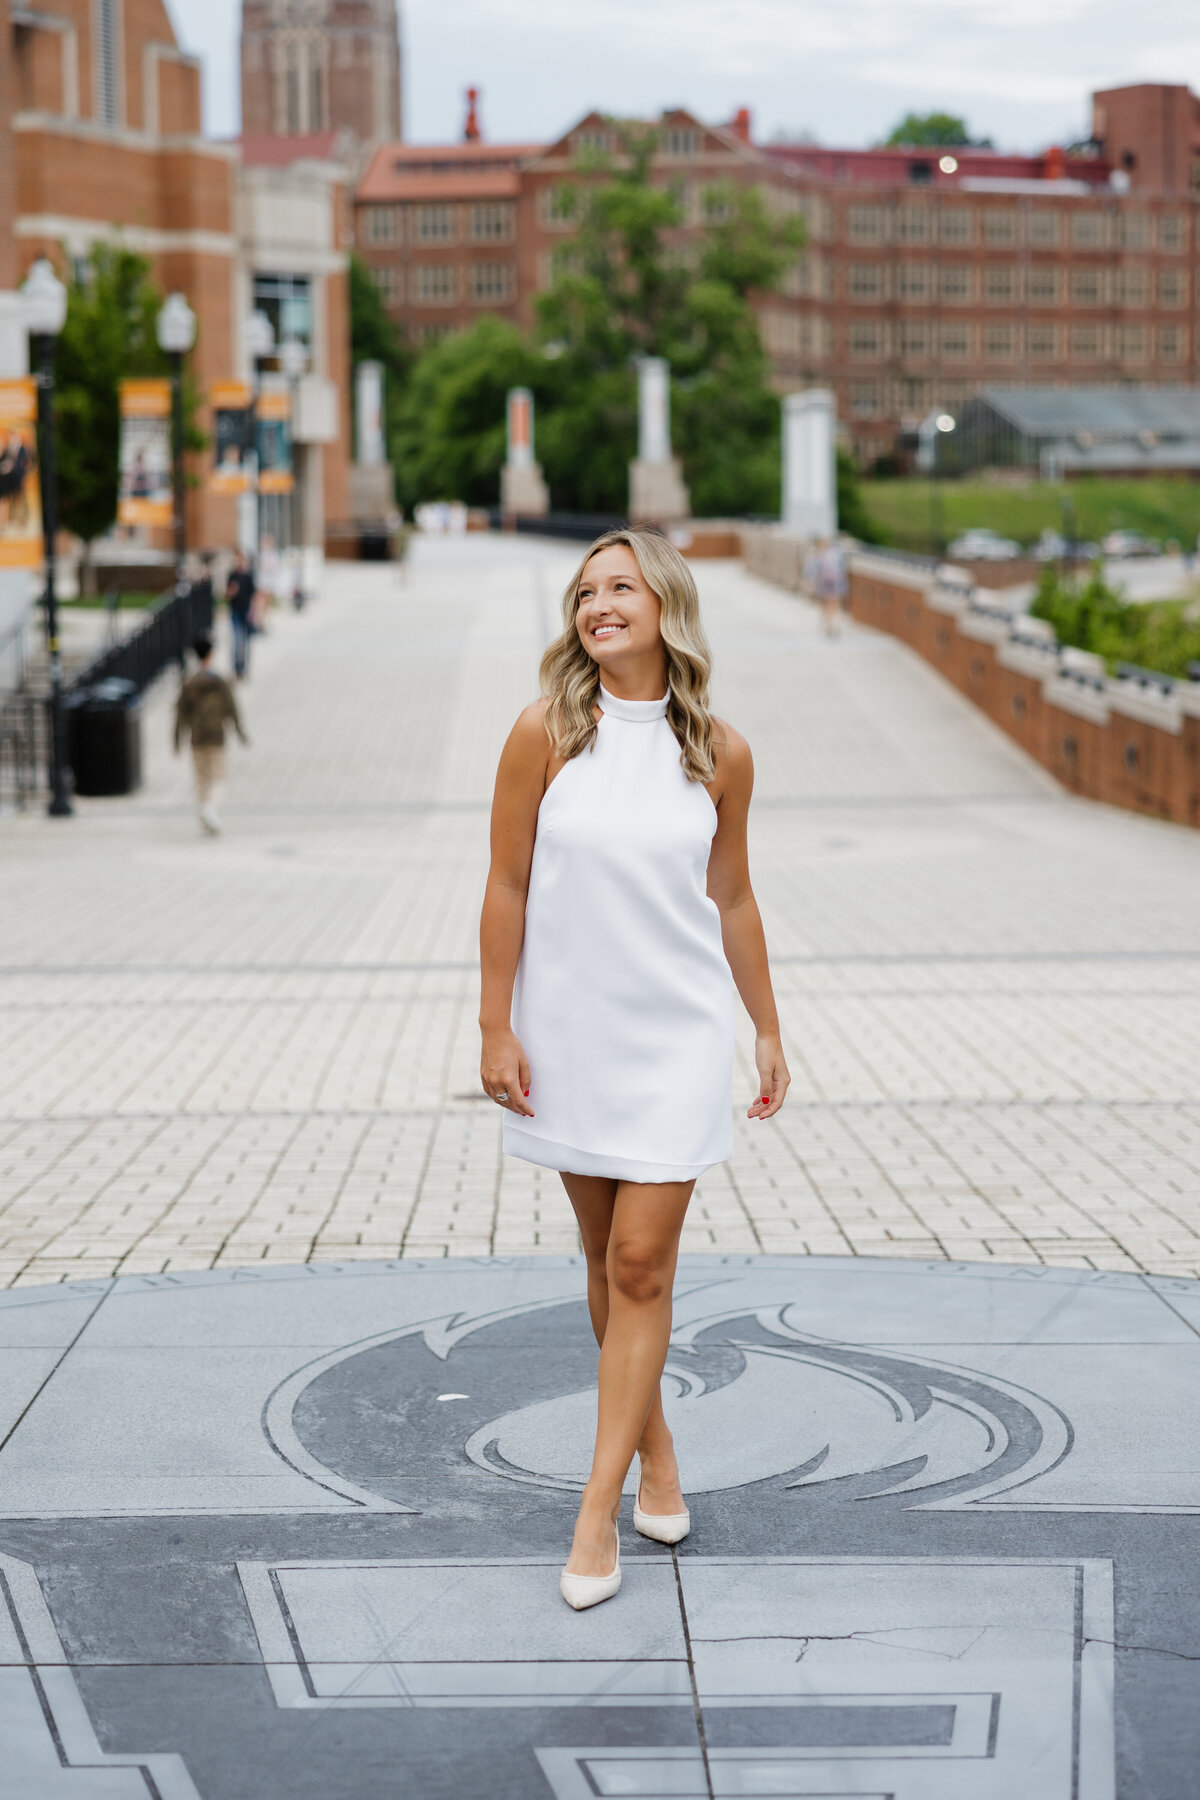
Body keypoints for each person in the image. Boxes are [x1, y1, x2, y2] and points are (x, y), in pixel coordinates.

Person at [479, 528, 789, 1612]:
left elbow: (735, 897)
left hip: (675, 1041)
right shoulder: (544, 736)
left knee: (642, 1266)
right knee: (608, 1260)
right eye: (584, 592)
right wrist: (493, 1027)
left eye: (619, 587)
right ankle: (658, 1455)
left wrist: (767, 1027)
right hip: (567, 1038)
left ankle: (595, 1508)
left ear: (666, 604)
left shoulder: (721, 754)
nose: (598, 605)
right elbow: (507, 888)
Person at [173, 633, 248, 835]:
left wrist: (176, 741)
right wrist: (241, 733)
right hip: (216, 736)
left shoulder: (189, 683)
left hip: (196, 738)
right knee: (220, 777)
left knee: (202, 779)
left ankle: (204, 814)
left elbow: (180, 713)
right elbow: (232, 708)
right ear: (211, 654)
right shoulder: (220, 682)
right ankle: (211, 808)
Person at [225, 551, 256, 680]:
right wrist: (231, 591)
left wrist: (253, 612)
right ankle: (237, 668)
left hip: (246, 610)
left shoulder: (248, 576)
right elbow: (226, 594)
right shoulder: (232, 575)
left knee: (245, 641)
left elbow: (253, 595)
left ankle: (244, 668)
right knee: (237, 639)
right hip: (235, 611)